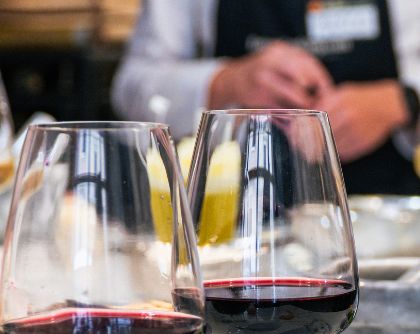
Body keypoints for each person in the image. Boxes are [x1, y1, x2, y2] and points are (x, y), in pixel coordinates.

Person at [112, 0, 420, 195]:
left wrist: (403, 101)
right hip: (235, 228)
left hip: (387, 225)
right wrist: (224, 80)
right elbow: (131, 88)